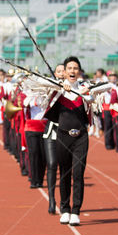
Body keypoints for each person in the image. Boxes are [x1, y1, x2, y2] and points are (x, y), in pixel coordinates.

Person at [43, 56, 111, 226]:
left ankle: (76, 211)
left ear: (79, 72)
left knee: (78, 174)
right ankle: (64, 209)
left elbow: (103, 90)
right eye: (69, 68)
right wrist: (61, 89)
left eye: (75, 68)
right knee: (64, 173)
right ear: (64, 72)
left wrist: (84, 92)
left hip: (80, 137)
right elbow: (44, 94)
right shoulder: (57, 89)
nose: (72, 71)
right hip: (63, 136)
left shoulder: (85, 88)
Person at [42, 63, 66, 213]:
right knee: (51, 164)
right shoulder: (51, 87)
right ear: (55, 74)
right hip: (51, 130)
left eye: (64, 70)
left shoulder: (74, 87)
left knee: (64, 167)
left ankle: (64, 201)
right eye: (59, 71)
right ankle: (51, 199)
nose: (62, 73)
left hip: (66, 131)